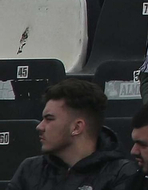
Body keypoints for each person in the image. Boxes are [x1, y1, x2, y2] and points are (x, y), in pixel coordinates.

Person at [11, 79, 141, 190]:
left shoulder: (122, 174)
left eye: (49, 119)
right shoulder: (30, 170)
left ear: (77, 127)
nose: (40, 126)